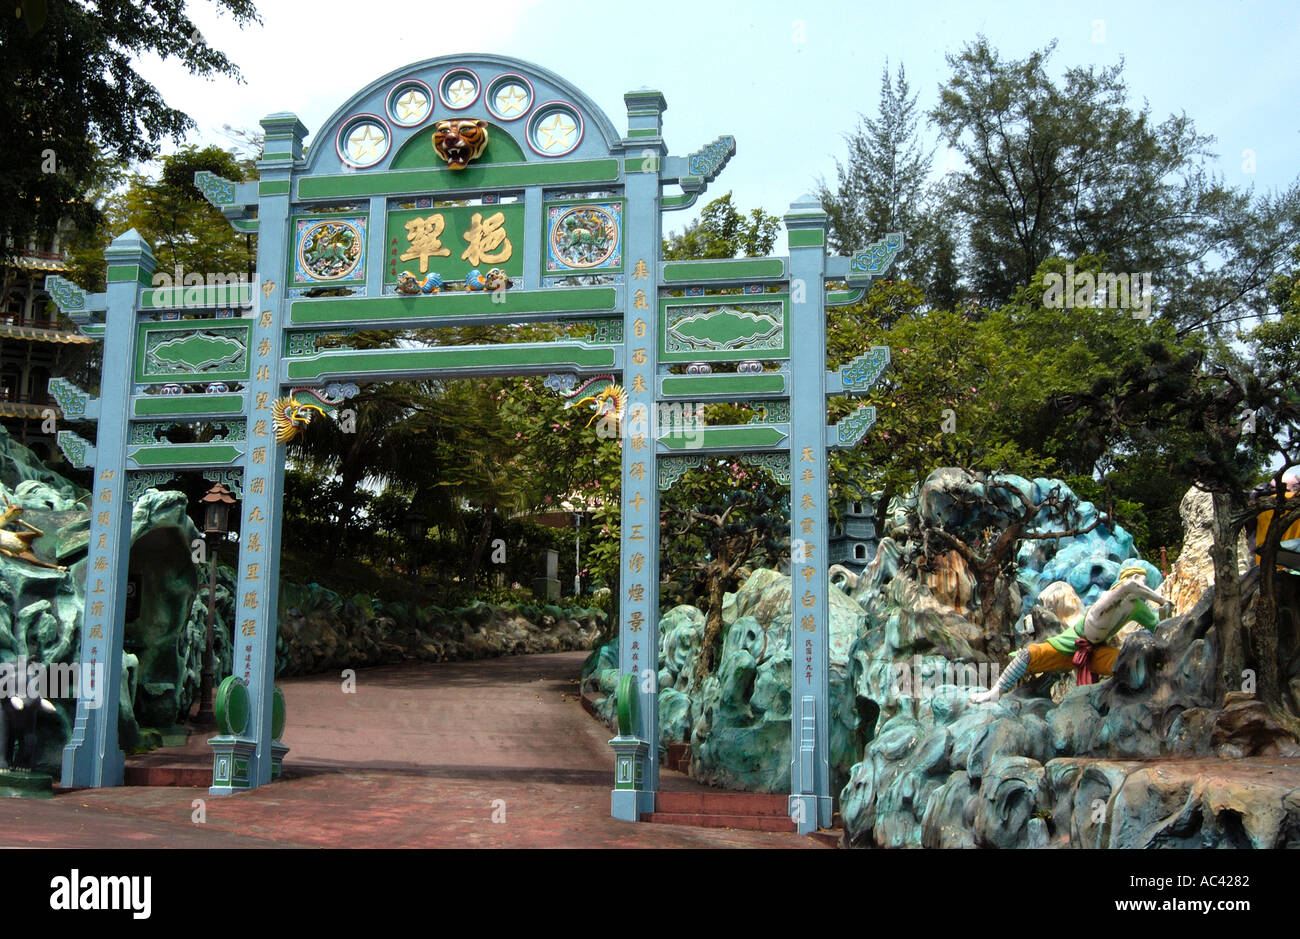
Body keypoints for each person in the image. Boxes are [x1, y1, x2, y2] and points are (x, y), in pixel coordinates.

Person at [973, 564, 1167, 703]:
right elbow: (1129, 587)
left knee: (1127, 665)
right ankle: (995, 691)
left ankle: (1144, 700)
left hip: (1095, 652)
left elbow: (1158, 626)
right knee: (1028, 654)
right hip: (1069, 643)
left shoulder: (1137, 607)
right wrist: (1160, 599)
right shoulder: (1109, 598)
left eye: (1143, 580)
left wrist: (1166, 612)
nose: (1141, 583)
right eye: (1137, 578)